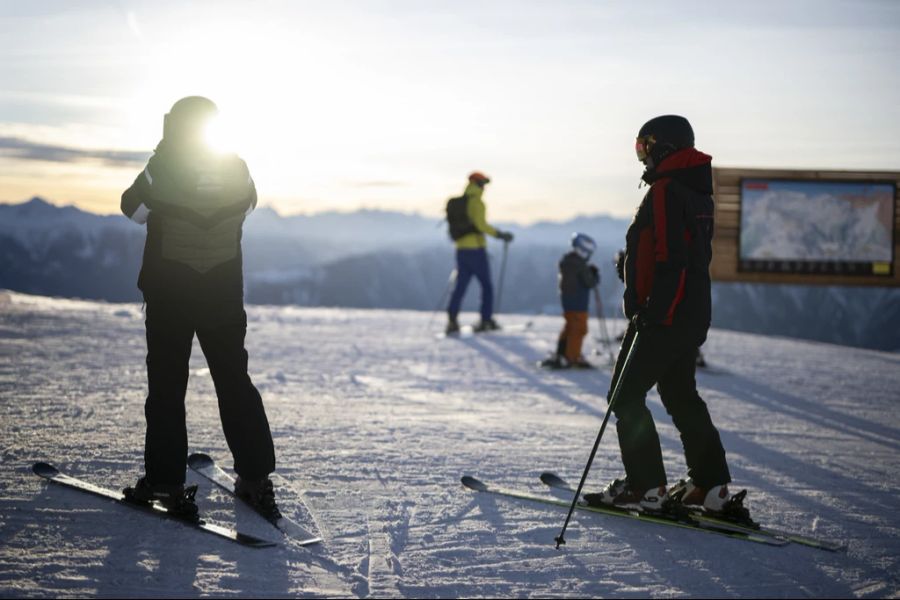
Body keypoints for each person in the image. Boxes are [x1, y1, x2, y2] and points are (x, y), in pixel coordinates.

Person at [120, 96, 279, 519]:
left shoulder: (163, 167)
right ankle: (255, 480)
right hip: (223, 292)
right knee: (233, 380)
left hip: (170, 292)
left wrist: (162, 158)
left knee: (168, 387)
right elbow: (249, 204)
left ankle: (165, 484)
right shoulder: (237, 167)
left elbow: (132, 209)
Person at [585, 115, 746, 520]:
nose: (641, 156)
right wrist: (633, 265)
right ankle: (710, 488)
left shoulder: (665, 191)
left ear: (664, 148)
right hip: (690, 313)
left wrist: (653, 312)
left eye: (644, 146)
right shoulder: (695, 192)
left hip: (666, 315)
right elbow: (680, 255)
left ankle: (645, 488)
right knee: (679, 395)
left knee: (625, 396)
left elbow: (671, 260)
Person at [444, 172, 514, 334]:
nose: (485, 187)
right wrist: (500, 235)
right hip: (476, 250)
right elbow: (481, 226)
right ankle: (486, 320)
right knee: (486, 286)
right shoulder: (477, 203)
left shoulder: (461, 202)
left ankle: (452, 320)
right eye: (484, 184)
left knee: (460, 286)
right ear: (479, 184)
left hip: (461, 250)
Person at [540, 233, 600, 369]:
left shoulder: (569, 262)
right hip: (578, 303)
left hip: (569, 302)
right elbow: (589, 282)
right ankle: (573, 357)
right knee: (579, 329)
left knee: (569, 327)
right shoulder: (579, 265)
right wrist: (594, 275)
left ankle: (562, 352)